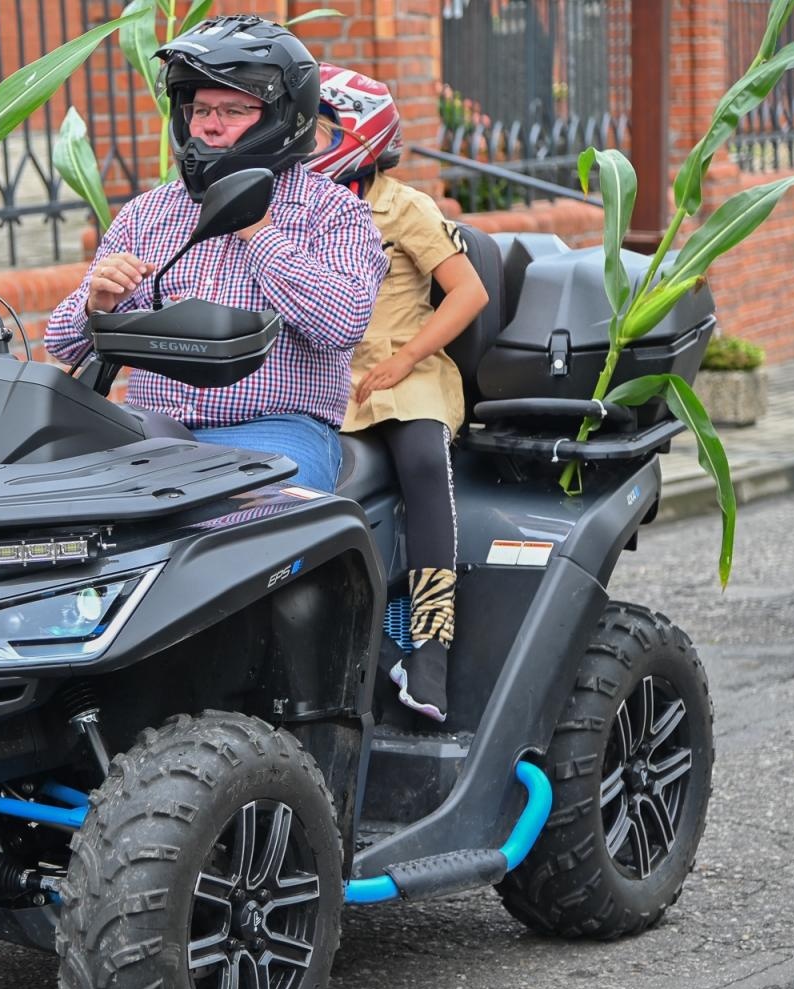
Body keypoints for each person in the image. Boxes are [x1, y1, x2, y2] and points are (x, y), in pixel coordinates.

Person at [44, 16, 388, 494]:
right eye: (200, 109)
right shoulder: (147, 212)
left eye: (232, 110)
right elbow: (61, 345)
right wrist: (95, 303)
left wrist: (258, 230)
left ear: (282, 116)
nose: (209, 126)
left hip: (274, 431)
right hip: (150, 431)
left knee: (259, 532)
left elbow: (344, 321)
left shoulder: (331, 210)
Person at [306, 64, 490, 723]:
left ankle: (432, 651)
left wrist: (407, 357)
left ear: (357, 134)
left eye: (318, 129)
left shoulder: (404, 207)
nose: (304, 142)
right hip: (333, 381)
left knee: (419, 464)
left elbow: (469, 293)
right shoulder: (296, 207)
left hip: (407, 376)